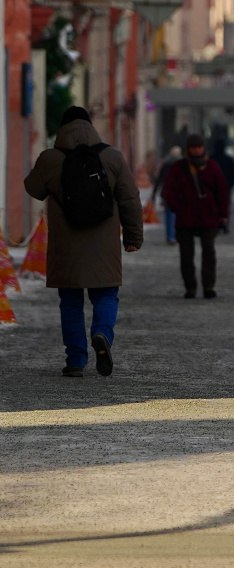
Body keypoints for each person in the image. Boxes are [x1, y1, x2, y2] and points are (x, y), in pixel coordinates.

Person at [24, 106, 144, 377]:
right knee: (106, 295)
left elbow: (33, 188)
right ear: (91, 127)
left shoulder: (51, 159)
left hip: (66, 245)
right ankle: (102, 333)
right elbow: (130, 200)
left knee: (70, 301)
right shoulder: (112, 157)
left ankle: (76, 360)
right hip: (104, 245)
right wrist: (133, 237)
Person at [161, 134, 230, 299]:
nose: (197, 150)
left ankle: (208, 286)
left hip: (208, 216)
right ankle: (190, 287)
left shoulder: (212, 166)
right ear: (188, 149)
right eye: (194, 147)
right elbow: (168, 190)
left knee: (209, 252)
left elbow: (222, 191)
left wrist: (223, 214)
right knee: (186, 254)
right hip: (186, 217)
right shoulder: (179, 168)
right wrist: (178, 207)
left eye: (199, 147)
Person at [154, 145, 182, 245]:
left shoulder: (166, 164)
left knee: (169, 215)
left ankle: (170, 236)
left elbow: (159, 180)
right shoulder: (182, 165)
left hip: (167, 193)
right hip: (178, 193)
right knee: (177, 215)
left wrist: (154, 193)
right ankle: (174, 235)